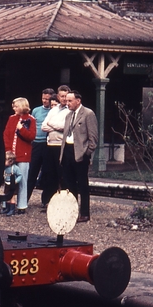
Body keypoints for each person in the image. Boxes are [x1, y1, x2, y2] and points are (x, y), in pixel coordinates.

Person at [60, 90, 98, 223]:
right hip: (67, 151)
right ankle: (73, 211)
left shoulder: (88, 114)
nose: (67, 103)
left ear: (78, 101)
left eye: (70, 101)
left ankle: (85, 213)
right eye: (66, 100)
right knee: (69, 184)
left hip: (81, 153)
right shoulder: (68, 115)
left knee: (82, 184)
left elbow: (93, 137)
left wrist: (87, 153)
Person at [2, 97, 36, 214]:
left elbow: (31, 137)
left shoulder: (31, 119)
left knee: (22, 181)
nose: (14, 108)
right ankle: (6, 203)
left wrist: (21, 129)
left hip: (23, 154)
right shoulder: (11, 118)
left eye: (16, 106)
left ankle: (22, 205)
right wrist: (7, 150)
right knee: (8, 179)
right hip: (11, 154)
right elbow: (6, 134)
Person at [40, 85, 71, 207]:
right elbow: (43, 126)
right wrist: (55, 126)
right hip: (50, 144)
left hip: (61, 146)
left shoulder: (70, 111)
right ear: (58, 96)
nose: (64, 99)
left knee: (62, 174)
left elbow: (65, 127)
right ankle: (48, 201)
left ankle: (64, 201)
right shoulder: (53, 110)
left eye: (66, 96)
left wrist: (51, 124)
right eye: (62, 96)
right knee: (49, 173)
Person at [26, 88, 55, 203]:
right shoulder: (36, 110)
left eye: (48, 99)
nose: (45, 101)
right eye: (43, 98)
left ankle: (45, 200)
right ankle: (25, 199)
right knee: (32, 171)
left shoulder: (54, 111)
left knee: (47, 172)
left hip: (48, 143)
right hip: (36, 143)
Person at [1, 151, 22, 216]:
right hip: (7, 184)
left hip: (13, 184)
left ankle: (12, 210)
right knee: (7, 196)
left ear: (11, 161)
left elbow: (20, 175)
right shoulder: (4, 168)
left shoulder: (15, 168)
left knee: (12, 197)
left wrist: (16, 181)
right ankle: (7, 208)